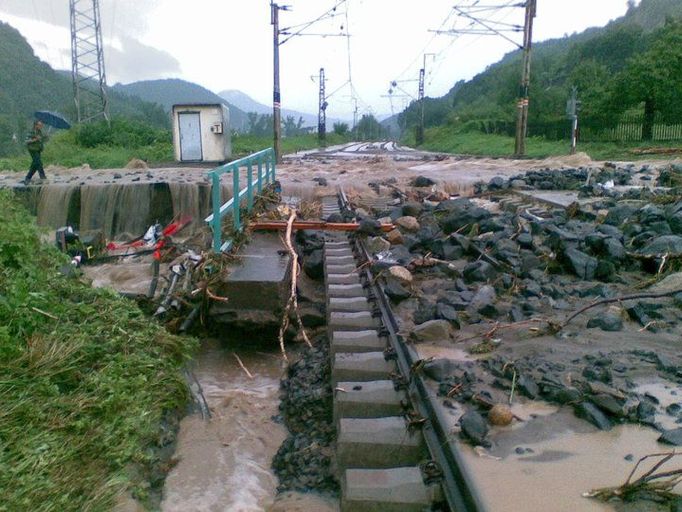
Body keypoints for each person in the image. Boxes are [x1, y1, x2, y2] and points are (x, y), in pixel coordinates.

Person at [23, 120, 47, 185]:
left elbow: (41, 140)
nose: (41, 126)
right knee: (38, 163)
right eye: (39, 125)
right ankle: (43, 177)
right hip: (32, 149)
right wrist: (34, 139)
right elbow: (26, 141)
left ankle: (27, 178)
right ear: (35, 125)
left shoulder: (39, 132)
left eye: (41, 125)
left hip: (38, 150)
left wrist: (45, 137)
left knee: (35, 164)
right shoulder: (31, 132)